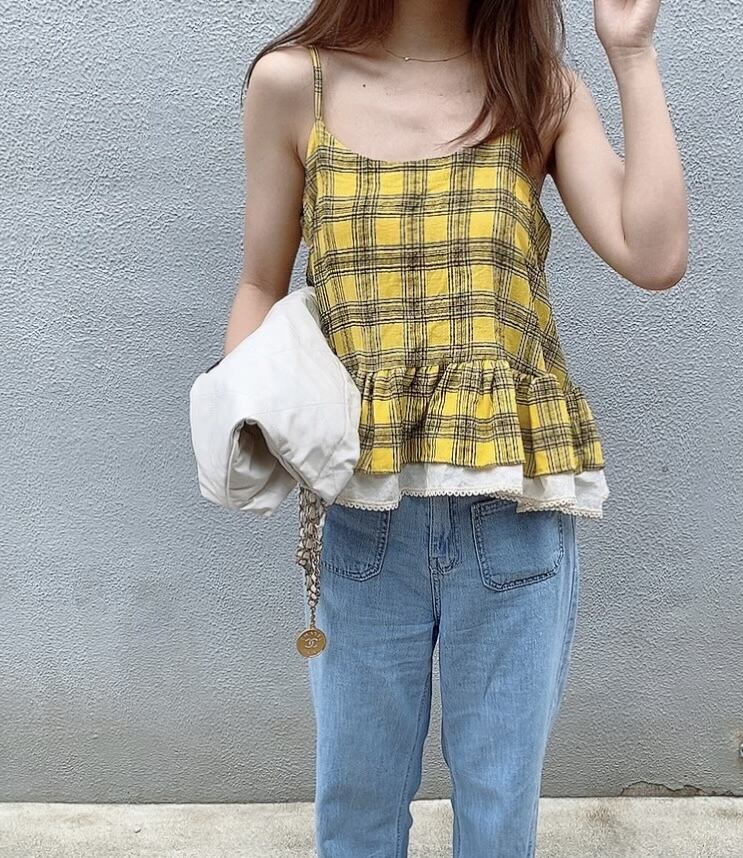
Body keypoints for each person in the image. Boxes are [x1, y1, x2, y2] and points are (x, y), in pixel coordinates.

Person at [226, 0, 687, 854]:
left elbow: (654, 254)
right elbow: (260, 279)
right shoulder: (294, 85)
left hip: (513, 519)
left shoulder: (538, 92)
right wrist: (242, 414)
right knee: (355, 813)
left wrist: (632, 52)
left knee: (498, 816)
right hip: (361, 516)